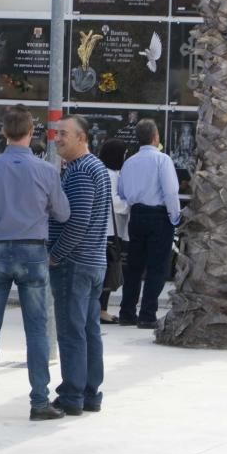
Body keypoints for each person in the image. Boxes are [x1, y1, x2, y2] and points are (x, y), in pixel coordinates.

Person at [0, 105, 71, 421]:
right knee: (36, 330)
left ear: (4, 132)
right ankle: (39, 402)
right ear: (31, 132)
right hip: (33, 252)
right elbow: (63, 213)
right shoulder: (46, 170)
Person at [48, 115, 112, 416]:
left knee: (72, 331)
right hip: (91, 262)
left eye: (64, 134)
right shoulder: (92, 167)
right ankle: (89, 393)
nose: (57, 138)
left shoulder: (82, 172)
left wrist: (55, 254)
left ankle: (72, 395)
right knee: (88, 329)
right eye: (56, 132)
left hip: (75, 264)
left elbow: (78, 221)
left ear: (82, 138)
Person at [117, 119, 181, 328]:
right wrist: (175, 217)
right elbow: (171, 191)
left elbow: (122, 192)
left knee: (134, 266)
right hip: (159, 216)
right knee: (157, 267)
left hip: (137, 215)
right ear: (156, 137)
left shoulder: (129, 162)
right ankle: (147, 314)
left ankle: (127, 312)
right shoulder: (162, 160)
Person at [97, 139, 129, 324]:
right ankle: (102, 311)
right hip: (109, 230)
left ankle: (101, 310)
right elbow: (115, 202)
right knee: (108, 273)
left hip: (107, 229)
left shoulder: (106, 171)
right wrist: (130, 204)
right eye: (124, 154)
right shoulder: (110, 174)